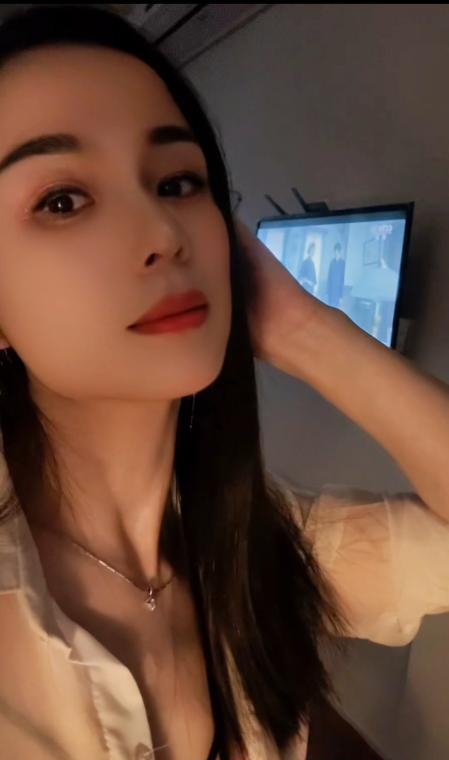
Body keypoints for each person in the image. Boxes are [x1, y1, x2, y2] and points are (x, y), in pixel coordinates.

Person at [0, 6, 448, 760]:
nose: (163, 234)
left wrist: (307, 331)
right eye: (63, 201)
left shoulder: (263, 549)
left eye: (178, 182)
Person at [326, 242, 346, 308]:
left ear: (340, 252)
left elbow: (342, 280)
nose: (336, 254)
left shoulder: (343, 263)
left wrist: (341, 296)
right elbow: (329, 278)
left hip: (338, 293)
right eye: (335, 252)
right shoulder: (331, 262)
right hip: (331, 292)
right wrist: (327, 292)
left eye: (337, 252)